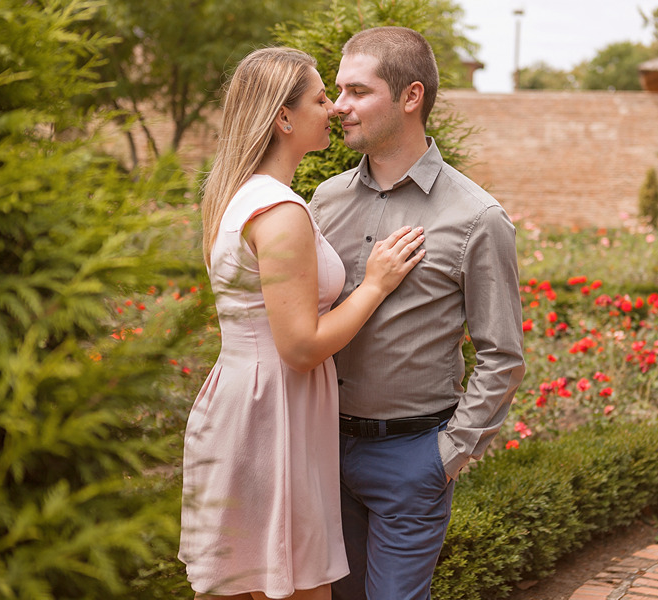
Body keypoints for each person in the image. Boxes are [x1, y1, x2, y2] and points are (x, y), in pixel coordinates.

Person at [178, 47, 426, 600]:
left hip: (252, 401)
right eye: (320, 98)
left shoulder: (242, 197)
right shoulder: (281, 212)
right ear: (283, 118)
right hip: (273, 415)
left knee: (247, 583)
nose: (334, 109)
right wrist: (376, 284)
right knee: (293, 585)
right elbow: (300, 346)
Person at [310, 27, 526, 600]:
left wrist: (447, 454)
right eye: (337, 91)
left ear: (410, 97)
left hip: (413, 458)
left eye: (357, 91)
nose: (339, 107)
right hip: (322, 447)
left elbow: (503, 355)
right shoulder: (323, 203)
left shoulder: (478, 217)